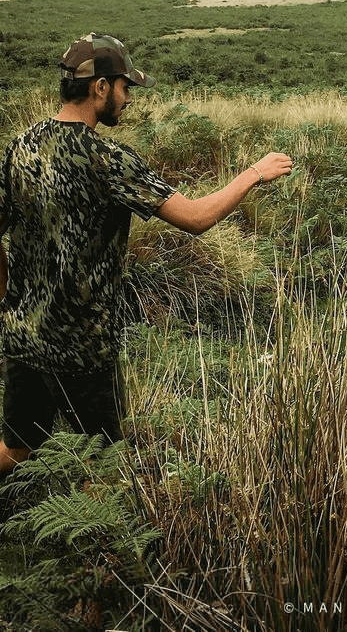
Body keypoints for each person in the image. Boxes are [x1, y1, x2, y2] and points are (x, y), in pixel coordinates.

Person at [0, 33, 292, 475]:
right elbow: (194, 217)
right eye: (125, 87)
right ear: (100, 87)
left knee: (16, 449)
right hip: (84, 350)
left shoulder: (19, 149)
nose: (129, 98)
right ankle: (104, 545)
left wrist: (8, 301)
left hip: (22, 337)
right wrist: (254, 174)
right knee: (105, 468)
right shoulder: (109, 160)